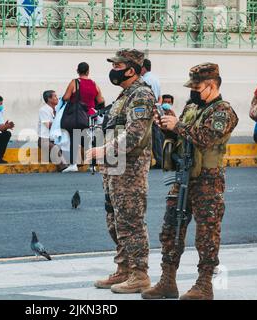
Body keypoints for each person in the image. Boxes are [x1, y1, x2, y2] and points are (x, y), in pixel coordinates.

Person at [142, 63, 239, 300]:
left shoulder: (223, 111)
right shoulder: (192, 107)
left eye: (197, 87)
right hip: (183, 176)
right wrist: (168, 126)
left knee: (207, 233)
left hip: (208, 180)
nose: (193, 91)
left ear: (211, 85)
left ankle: (204, 285)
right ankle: (168, 281)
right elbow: (183, 135)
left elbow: (205, 138)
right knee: (171, 228)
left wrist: (179, 125)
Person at [87, 49, 156, 294]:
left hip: (130, 170)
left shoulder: (141, 94)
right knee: (115, 222)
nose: (114, 70)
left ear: (131, 69)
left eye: (118, 65)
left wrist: (103, 150)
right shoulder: (124, 95)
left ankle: (140, 274)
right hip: (114, 168)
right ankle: (124, 269)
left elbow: (135, 134)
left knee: (131, 221)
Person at [62, 62, 105, 172]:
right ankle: (93, 165)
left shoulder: (75, 82)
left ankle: (73, 165)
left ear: (77, 71)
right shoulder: (94, 84)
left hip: (77, 114)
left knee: (74, 136)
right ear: (88, 71)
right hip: (90, 114)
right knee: (89, 139)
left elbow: (66, 97)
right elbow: (101, 100)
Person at [141, 59, 164, 168]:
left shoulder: (144, 80)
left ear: (143, 68)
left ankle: (151, 160)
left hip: (147, 110)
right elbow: (160, 97)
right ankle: (159, 159)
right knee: (156, 137)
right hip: (155, 109)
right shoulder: (155, 79)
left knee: (146, 137)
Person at [38, 90, 67, 171]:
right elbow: (49, 125)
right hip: (44, 140)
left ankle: (74, 164)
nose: (57, 98)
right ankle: (63, 168)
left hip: (55, 139)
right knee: (55, 148)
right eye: (55, 96)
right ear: (49, 99)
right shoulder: (43, 110)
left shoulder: (57, 110)